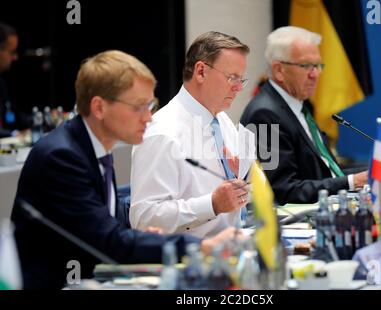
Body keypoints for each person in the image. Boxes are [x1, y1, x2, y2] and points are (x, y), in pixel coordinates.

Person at [11, 50, 237, 289]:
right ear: (99, 107)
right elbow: (109, 241)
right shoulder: (61, 157)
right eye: (139, 107)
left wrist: (148, 235)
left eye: (150, 105)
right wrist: (200, 246)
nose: (149, 118)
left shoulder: (92, 146)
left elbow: (106, 215)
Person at [130, 31, 252, 238]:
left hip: (233, 246)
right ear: (201, 72)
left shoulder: (222, 120)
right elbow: (143, 219)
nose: (239, 88)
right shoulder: (162, 132)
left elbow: (234, 197)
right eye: (232, 78)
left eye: (241, 80)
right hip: (189, 259)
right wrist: (211, 204)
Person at [240, 26, 368, 204]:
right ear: (279, 70)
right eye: (306, 66)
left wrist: (378, 171)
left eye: (317, 65)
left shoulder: (297, 105)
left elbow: (326, 171)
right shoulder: (265, 115)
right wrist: (352, 182)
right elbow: (283, 190)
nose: (315, 74)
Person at [0, 22, 22, 138]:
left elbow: (16, 117)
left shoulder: (2, 83)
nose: (15, 57)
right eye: (12, 52)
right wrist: (15, 134)